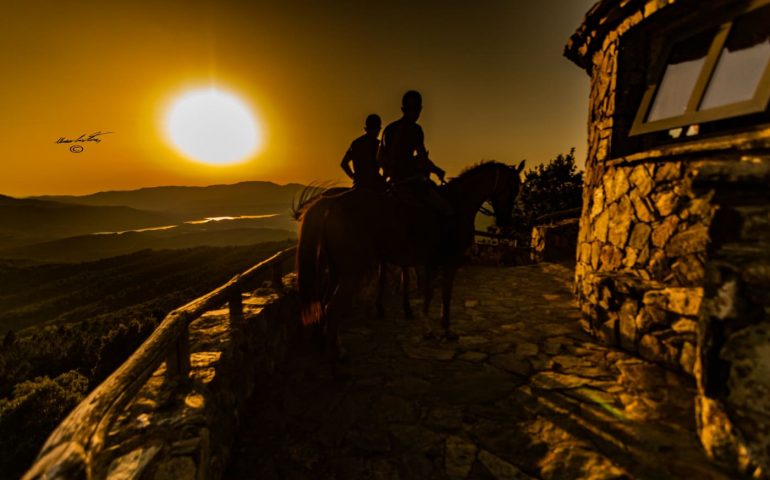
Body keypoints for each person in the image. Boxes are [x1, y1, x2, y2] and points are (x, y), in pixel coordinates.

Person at [379, 90, 450, 215]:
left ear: (402, 108)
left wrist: (389, 174)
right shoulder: (415, 129)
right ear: (420, 109)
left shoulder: (389, 129)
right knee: (446, 210)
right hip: (410, 181)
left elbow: (379, 158)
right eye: (415, 109)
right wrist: (437, 170)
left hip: (391, 183)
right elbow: (423, 158)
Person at [340, 114, 386, 190]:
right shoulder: (379, 145)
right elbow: (385, 165)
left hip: (359, 183)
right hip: (375, 183)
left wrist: (354, 177)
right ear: (378, 129)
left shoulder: (356, 143)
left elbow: (344, 163)